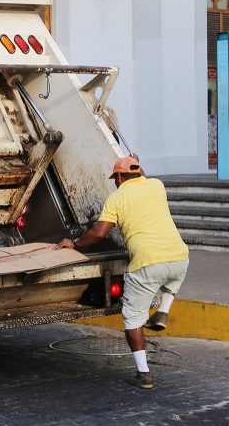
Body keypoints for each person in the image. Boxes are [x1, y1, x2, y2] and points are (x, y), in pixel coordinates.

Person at [55, 156, 189, 390]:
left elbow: (99, 233)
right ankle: (163, 311)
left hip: (147, 263)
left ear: (118, 177)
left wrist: (75, 244)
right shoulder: (156, 185)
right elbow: (142, 176)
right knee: (171, 281)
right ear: (138, 172)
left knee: (133, 318)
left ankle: (144, 374)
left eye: (114, 178)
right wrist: (136, 162)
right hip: (180, 258)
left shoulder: (117, 198)